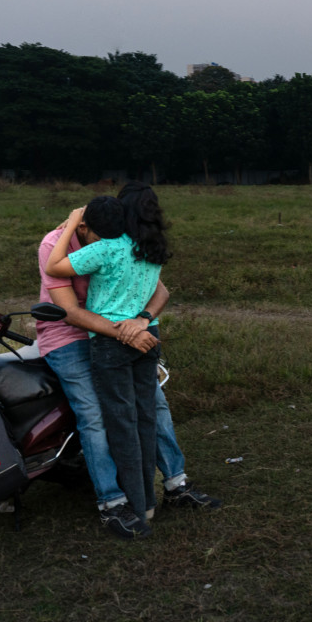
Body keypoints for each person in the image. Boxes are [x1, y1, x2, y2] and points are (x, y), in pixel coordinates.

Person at [39, 196, 219, 539]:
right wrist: (131, 334)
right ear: (82, 227)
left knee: (155, 404)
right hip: (70, 335)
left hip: (121, 334)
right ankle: (113, 502)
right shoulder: (54, 244)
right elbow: (71, 312)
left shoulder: (115, 238)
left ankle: (176, 484)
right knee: (94, 416)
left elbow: (158, 289)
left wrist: (141, 321)